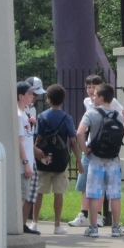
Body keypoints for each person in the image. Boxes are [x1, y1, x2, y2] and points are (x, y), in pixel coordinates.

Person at [69, 74, 124, 228]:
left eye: (95, 92)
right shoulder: (118, 116)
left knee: (93, 192)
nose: (92, 94)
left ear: (100, 97)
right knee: (114, 194)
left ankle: (93, 227)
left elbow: (80, 133)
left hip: (95, 156)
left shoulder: (91, 113)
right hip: (113, 157)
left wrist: (85, 148)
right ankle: (116, 227)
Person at [33, 83, 81, 234]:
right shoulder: (66, 118)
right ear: (62, 100)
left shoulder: (41, 117)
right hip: (60, 159)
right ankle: (57, 225)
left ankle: (34, 222)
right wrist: (78, 161)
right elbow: (73, 141)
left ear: (48, 99)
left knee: (39, 191)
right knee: (58, 192)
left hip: (44, 158)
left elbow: (38, 138)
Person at [17, 81, 41, 235]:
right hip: (23, 165)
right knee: (22, 197)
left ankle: (20, 225)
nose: (32, 96)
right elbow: (19, 142)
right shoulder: (19, 116)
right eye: (29, 93)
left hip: (28, 163)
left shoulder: (25, 114)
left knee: (25, 196)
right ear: (21, 96)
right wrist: (26, 163)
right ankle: (17, 227)